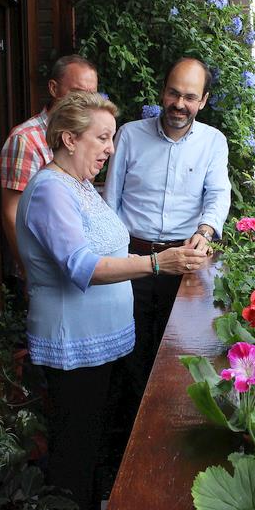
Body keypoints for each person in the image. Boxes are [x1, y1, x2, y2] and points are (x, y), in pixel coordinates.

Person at [15, 91, 207, 510]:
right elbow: (81, 266)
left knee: (95, 451)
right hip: (75, 346)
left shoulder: (78, 185)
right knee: (74, 461)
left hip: (102, 344)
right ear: (68, 139)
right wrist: (159, 262)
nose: (110, 148)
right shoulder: (50, 191)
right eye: (102, 138)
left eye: (111, 138)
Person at [103, 56, 231, 419]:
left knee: (178, 354)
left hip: (185, 267)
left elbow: (218, 194)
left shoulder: (213, 142)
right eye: (174, 93)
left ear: (203, 101)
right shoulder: (128, 134)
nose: (179, 104)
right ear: (162, 92)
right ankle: (125, 437)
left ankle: (164, 426)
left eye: (190, 97)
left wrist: (205, 231)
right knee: (128, 355)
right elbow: (111, 200)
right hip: (133, 262)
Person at [0, 55, 98, 271]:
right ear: (54, 89)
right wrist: (29, 271)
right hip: (44, 268)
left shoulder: (82, 137)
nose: (85, 102)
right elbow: (12, 212)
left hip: (76, 262)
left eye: (92, 95)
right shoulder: (26, 139)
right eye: (78, 93)